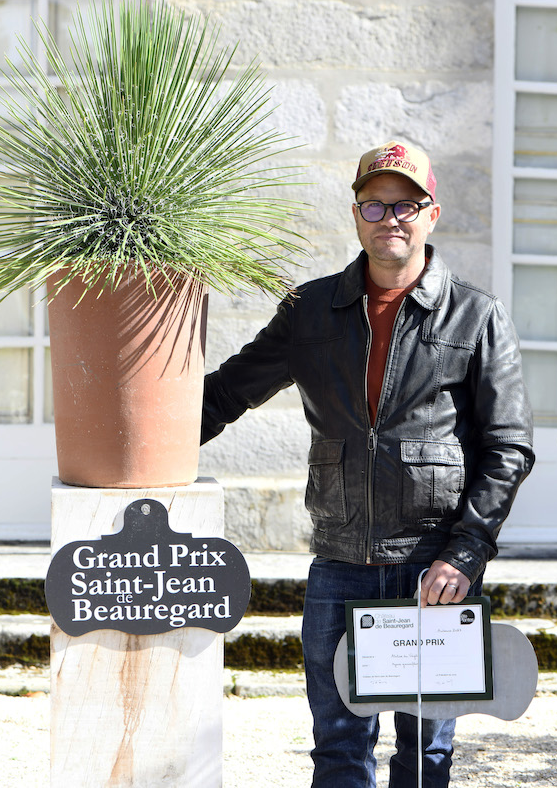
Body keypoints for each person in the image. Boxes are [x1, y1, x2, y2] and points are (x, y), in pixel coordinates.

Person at [201, 139, 535, 787]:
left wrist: (464, 554)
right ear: (355, 216)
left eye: (406, 205)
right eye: (375, 206)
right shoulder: (309, 312)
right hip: (340, 566)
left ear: (431, 213)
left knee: (424, 759)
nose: (392, 220)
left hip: (434, 572)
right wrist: (134, 448)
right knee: (337, 752)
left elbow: (508, 449)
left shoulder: (476, 316)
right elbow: (226, 393)